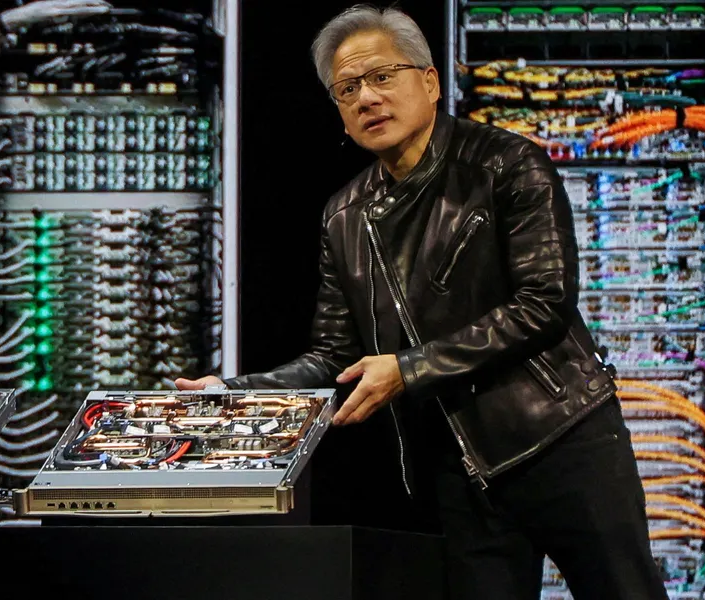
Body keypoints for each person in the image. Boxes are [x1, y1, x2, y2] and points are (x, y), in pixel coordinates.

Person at [175, 4, 670, 600]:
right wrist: (235, 394)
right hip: (459, 471)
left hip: (563, 438)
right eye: (348, 88)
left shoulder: (507, 165)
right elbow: (333, 356)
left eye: (382, 76)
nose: (367, 98)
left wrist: (408, 369)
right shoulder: (344, 215)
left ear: (430, 82)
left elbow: (544, 303)